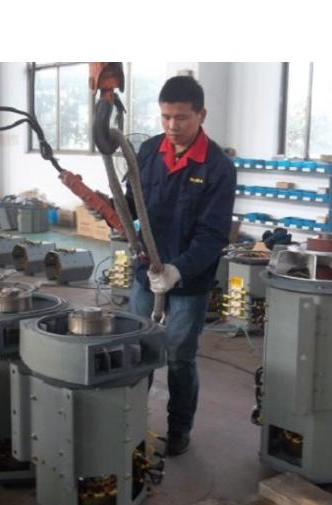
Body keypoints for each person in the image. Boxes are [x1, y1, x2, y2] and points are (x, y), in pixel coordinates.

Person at [126, 75, 236, 456]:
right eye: (165, 117)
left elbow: (213, 235)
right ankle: (129, 422)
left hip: (189, 279)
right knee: (136, 348)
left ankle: (178, 430)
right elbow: (131, 203)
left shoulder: (218, 167)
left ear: (201, 115)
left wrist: (177, 270)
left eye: (181, 118)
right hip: (146, 272)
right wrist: (110, 209)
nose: (172, 126)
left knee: (179, 356)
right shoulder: (147, 151)